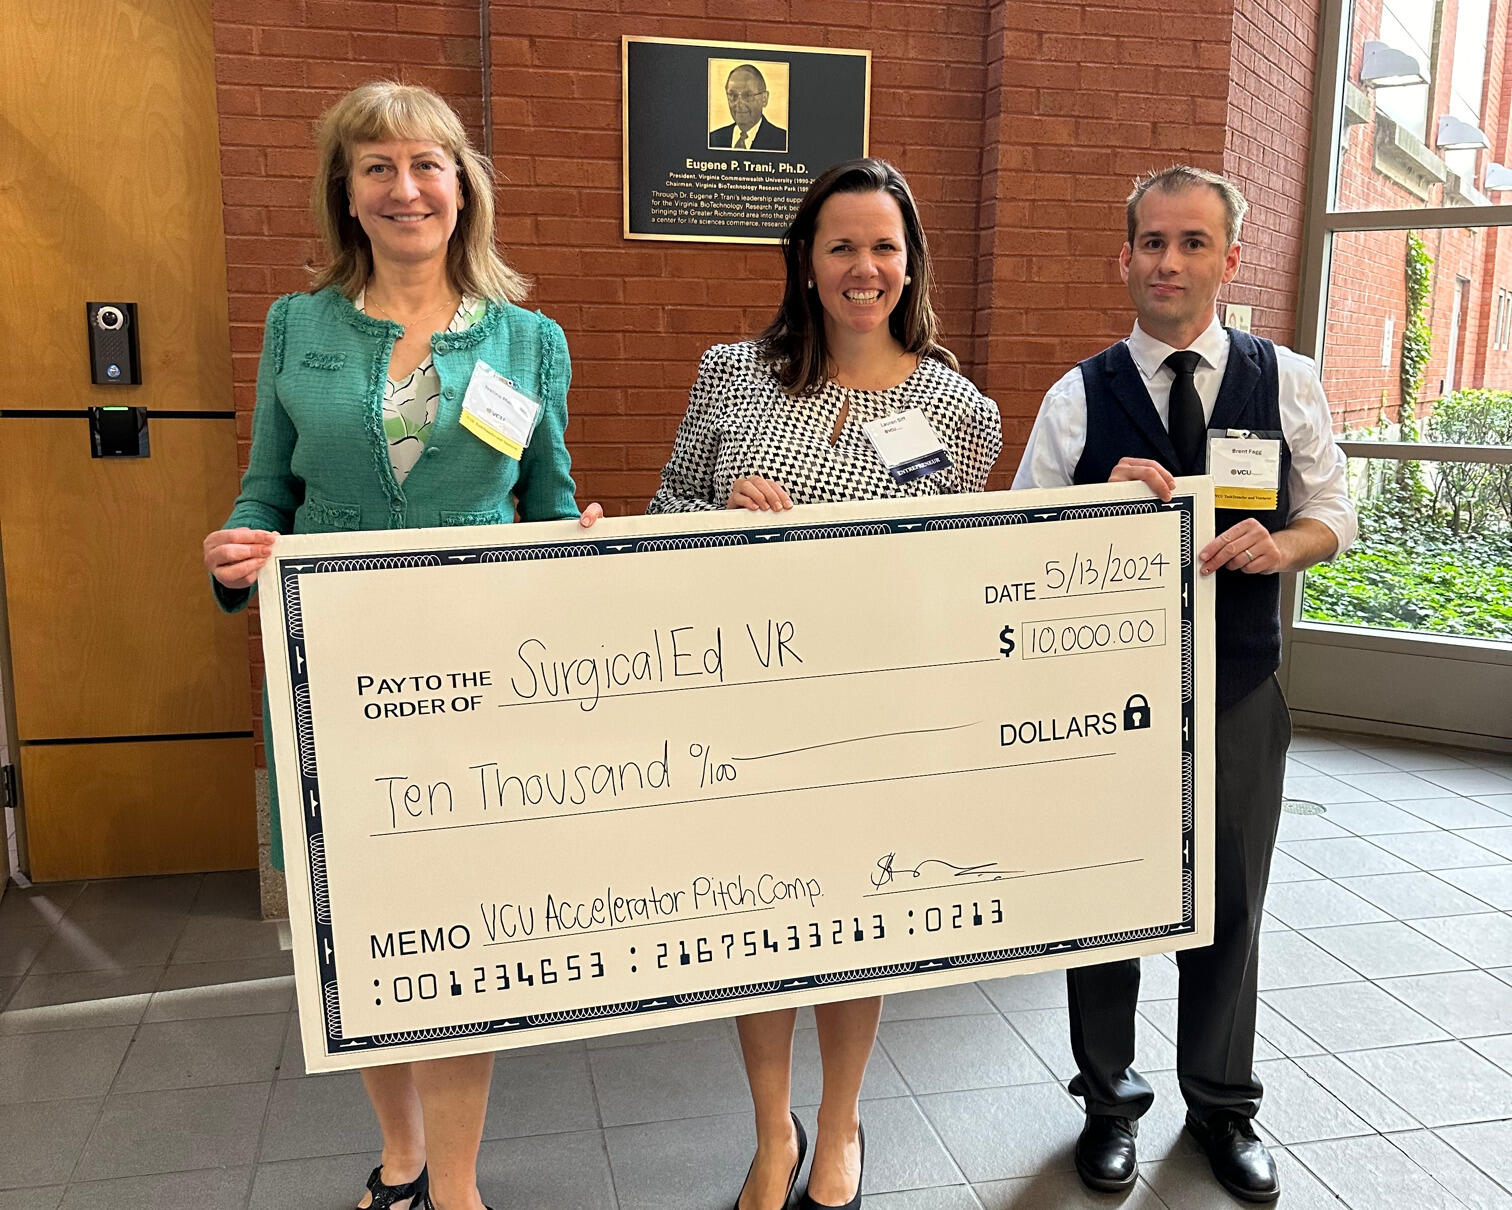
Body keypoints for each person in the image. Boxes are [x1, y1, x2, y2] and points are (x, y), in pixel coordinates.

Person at [201, 81, 600, 1210]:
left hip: (477, 672)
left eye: (427, 163)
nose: (405, 186)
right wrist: (238, 553)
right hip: (335, 669)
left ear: (462, 183)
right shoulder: (299, 325)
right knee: (370, 928)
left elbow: (549, 505)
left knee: (459, 936)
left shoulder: (528, 339)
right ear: (347, 191)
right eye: (376, 165)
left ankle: (459, 1185)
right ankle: (403, 1159)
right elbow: (268, 488)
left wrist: (581, 550)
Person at [650, 158, 1002, 1210]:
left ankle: (840, 1119)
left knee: (861, 919)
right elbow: (664, 510)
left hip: (876, 710)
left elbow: (961, 568)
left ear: (911, 263)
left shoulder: (958, 407)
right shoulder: (732, 372)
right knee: (756, 921)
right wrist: (720, 516)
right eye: (842, 245)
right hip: (747, 704)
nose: (864, 266)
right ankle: (772, 1130)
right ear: (806, 262)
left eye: (884, 246)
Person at [1013, 165, 1356, 1204]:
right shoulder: (1077, 395)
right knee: (1107, 904)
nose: (1170, 262)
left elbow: (1336, 516)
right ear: (1124, 258)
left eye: (1193, 243)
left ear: (1230, 260)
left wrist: (1282, 541)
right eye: (1152, 242)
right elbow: (1018, 542)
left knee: (1233, 904)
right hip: (1110, 706)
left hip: (1241, 688)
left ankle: (1221, 1105)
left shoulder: (1286, 379)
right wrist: (1090, 506)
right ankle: (1108, 1104)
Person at [709, 64, 787, 152]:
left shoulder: (783, 141)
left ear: (764, 99)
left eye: (747, 95)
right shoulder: (713, 139)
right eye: (733, 95)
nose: (739, 103)